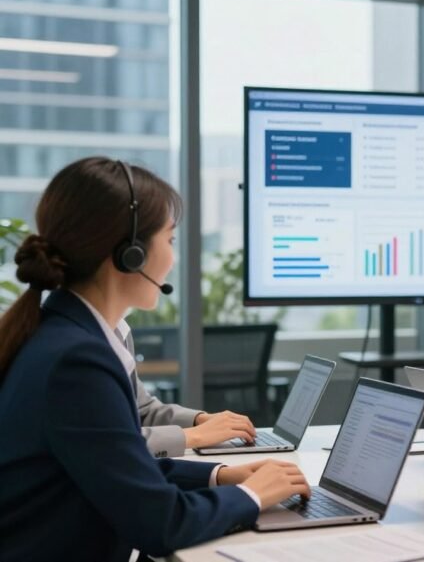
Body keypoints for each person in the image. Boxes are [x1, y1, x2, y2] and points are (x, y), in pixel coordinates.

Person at [0, 157, 310, 560]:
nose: (173, 258)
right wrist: (252, 495)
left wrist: (220, 476)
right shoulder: (77, 362)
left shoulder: (57, 332)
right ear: (129, 254)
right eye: (170, 240)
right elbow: (161, 524)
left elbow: (116, 469)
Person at [124, 322, 258, 458]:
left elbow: (143, 410)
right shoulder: (105, 340)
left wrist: (199, 420)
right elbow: (108, 443)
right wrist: (195, 435)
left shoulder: (121, 331)